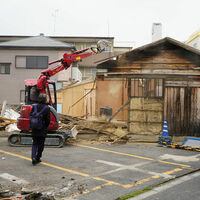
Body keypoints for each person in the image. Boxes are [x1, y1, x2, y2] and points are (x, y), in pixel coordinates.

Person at [30, 93, 50, 165]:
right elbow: (48, 120)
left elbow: (31, 116)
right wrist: (45, 127)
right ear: (45, 99)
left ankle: (33, 157)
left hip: (34, 128)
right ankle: (38, 158)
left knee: (34, 143)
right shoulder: (47, 108)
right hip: (42, 129)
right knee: (41, 144)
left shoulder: (34, 107)